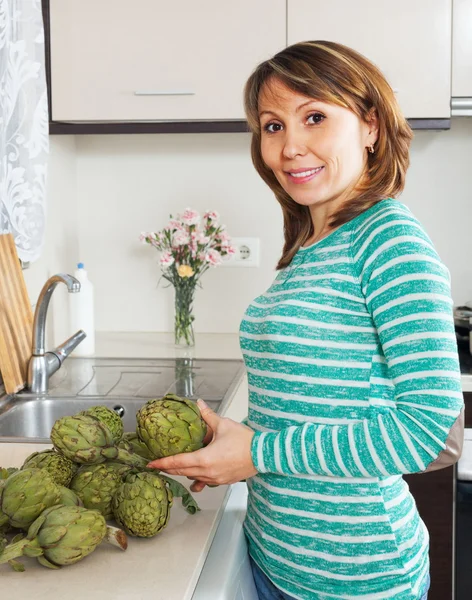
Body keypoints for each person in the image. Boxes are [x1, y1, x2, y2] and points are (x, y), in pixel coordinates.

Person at [147, 41, 464, 600]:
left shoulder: (390, 241)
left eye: (314, 117)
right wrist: (233, 442)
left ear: (370, 126)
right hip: (278, 556)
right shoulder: (315, 243)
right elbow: (309, 400)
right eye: (272, 126)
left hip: (358, 579)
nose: (289, 146)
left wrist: (256, 453)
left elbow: (430, 429)